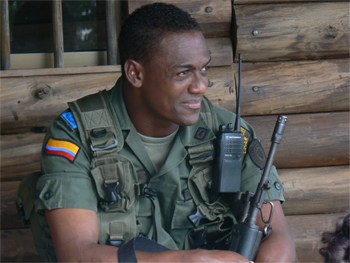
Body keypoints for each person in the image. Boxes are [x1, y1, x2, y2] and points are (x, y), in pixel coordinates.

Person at [31, 2, 296, 262]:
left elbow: (277, 235)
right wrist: (186, 261)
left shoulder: (229, 132)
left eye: (204, 69)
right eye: (183, 73)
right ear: (135, 73)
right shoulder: (75, 134)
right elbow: (77, 254)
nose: (201, 86)